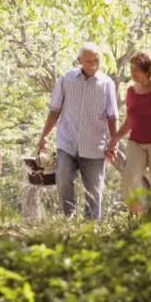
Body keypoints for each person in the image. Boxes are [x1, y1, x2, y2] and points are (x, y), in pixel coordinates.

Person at [37, 42, 118, 220]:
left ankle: (90, 227)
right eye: (89, 61)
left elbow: (112, 116)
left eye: (96, 60)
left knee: (94, 189)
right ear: (80, 60)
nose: (93, 64)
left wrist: (114, 142)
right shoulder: (66, 79)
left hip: (95, 145)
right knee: (63, 177)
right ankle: (69, 218)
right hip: (68, 141)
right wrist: (44, 136)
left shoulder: (107, 84)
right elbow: (54, 110)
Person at [107, 51, 151, 214]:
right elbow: (129, 121)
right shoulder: (131, 91)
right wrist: (115, 139)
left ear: (147, 71)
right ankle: (136, 216)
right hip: (136, 142)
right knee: (130, 178)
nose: (132, 73)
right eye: (131, 69)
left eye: (136, 70)